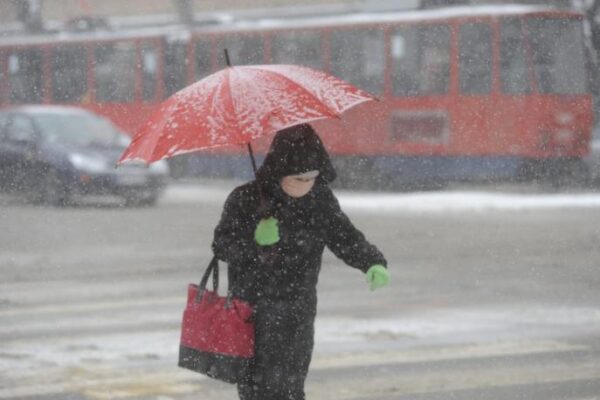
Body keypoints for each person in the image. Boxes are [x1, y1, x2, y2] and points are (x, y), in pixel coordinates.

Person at [212, 123, 390, 400]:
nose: (305, 184)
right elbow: (222, 246)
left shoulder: (319, 198)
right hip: (252, 307)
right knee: (257, 388)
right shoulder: (246, 198)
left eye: (311, 177)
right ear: (279, 171)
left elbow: (343, 235)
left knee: (292, 386)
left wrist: (371, 262)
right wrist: (255, 241)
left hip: (299, 306)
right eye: (298, 178)